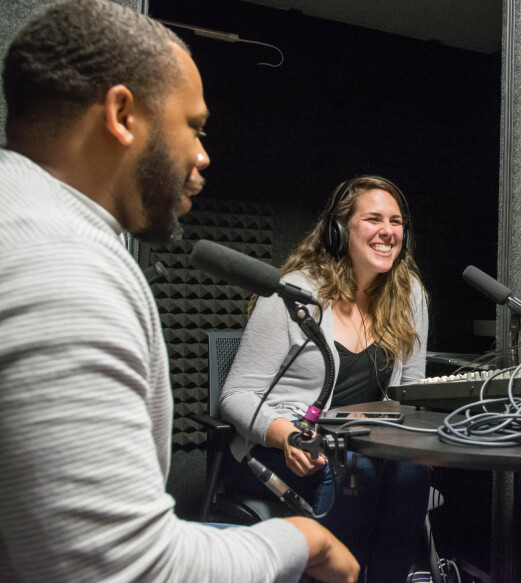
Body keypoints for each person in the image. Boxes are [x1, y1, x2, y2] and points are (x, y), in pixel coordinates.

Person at [0, 1, 358, 582]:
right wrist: (299, 541)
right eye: (193, 127)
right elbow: (120, 569)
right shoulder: (64, 269)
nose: (202, 155)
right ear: (121, 114)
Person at [220, 175, 431, 582]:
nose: (388, 231)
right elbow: (236, 395)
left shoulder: (409, 294)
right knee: (359, 471)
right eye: (373, 219)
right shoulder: (294, 294)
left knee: (412, 469)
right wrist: (286, 435)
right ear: (339, 231)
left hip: (361, 444)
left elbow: (409, 395)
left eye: (397, 221)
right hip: (284, 445)